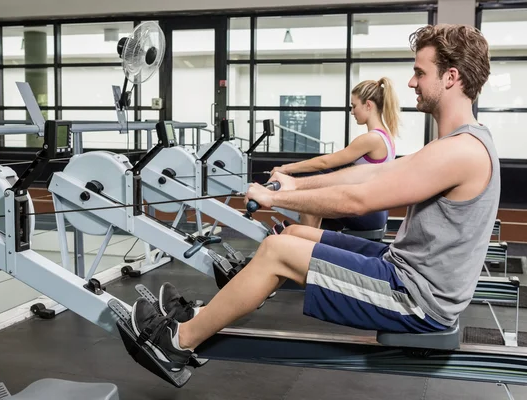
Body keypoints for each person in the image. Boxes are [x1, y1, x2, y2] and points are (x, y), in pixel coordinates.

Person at [131, 24, 499, 370]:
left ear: (451, 77)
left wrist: (278, 201)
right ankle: (207, 315)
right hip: (402, 267)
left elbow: (359, 201)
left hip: (415, 298)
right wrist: (296, 185)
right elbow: (375, 171)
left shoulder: (462, 150)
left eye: (420, 72)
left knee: (277, 252)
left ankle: (176, 343)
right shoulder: (455, 143)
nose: (412, 81)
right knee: (290, 236)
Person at [271, 77, 401, 230]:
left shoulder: (371, 139)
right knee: (320, 176)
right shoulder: (386, 136)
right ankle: (306, 232)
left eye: (354, 106)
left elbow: (326, 162)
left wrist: (285, 169)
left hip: (369, 213)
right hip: (376, 210)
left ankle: (303, 238)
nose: (352, 112)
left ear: (368, 105)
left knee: (311, 187)